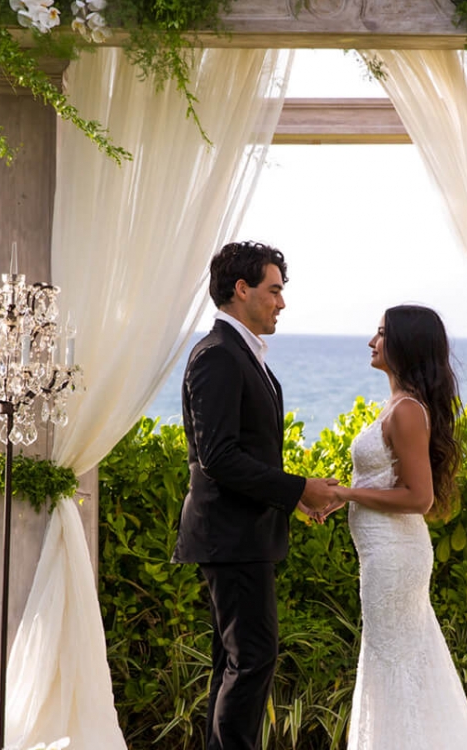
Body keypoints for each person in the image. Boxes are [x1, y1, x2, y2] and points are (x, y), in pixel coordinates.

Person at [172, 241, 338, 750]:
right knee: (252, 661)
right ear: (241, 290)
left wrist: (298, 497)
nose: (281, 303)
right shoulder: (219, 356)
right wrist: (297, 489)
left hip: (242, 535)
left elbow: (245, 452)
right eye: (274, 290)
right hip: (231, 537)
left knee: (235, 663)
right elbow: (218, 456)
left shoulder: (241, 355)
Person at [327, 304, 467, 749]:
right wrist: (343, 496)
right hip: (384, 554)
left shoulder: (407, 411)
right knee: (393, 656)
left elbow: (420, 497)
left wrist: (347, 495)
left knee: (394, 658)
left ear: (404, 344)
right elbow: (384, 482)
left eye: (380, 333)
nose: (371, 341)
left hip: (396, 558)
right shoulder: (398, 406)